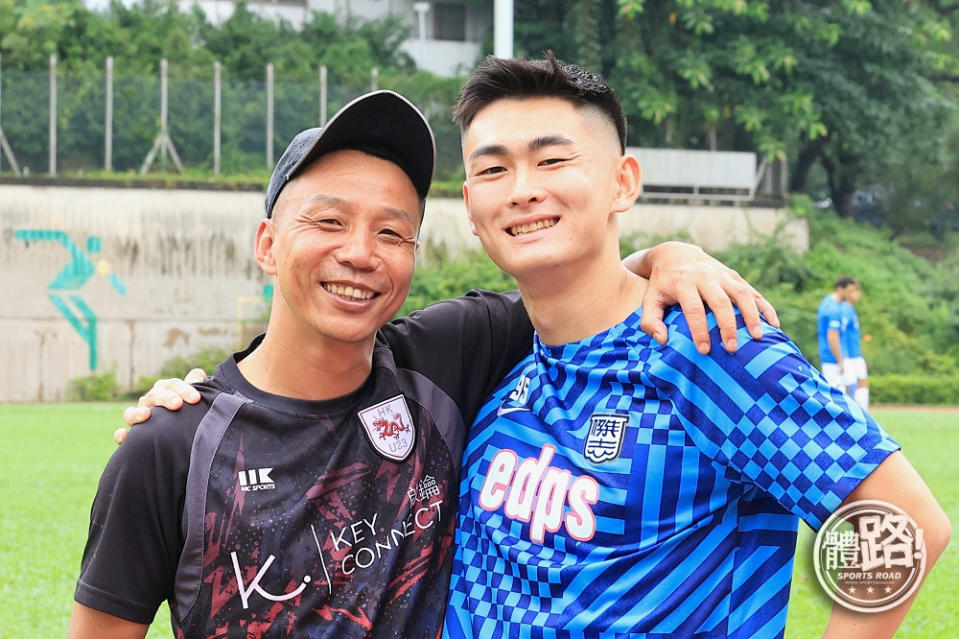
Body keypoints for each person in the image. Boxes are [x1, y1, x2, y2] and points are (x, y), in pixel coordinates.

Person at [72, 90, 776, 638]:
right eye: (328, 221)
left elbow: (582, 287)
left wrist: (670, 255)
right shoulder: (170, 445)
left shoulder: (445, 359)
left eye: (392, 231)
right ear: (266, 243)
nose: (359, 252)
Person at [439, 56, 948, 637]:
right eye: (493, 170)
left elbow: (903, 523)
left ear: (622, 182)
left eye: (551, 160)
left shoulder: (708, 348)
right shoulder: (503, 363)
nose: (523, 190)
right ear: (471, 208)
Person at [817, 275, 858, 389]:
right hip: (832, 358)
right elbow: (832, 337)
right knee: (840, 393)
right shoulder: (833, 308)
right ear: (840, 289)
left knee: (852, 385)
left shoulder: (830, 302)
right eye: (849, 291)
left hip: (838, 355)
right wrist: (840, 361)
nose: (851, 294)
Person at [841, 281, 869, 409]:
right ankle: (860, 412)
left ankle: (861, 411)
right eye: (852, 291)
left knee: (858, 383)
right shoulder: (845, 309)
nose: (856, 294)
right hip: (851, 355)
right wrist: (843, 357)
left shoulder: (851, 309)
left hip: (855, 353)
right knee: (857, 384)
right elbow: (839, 333)